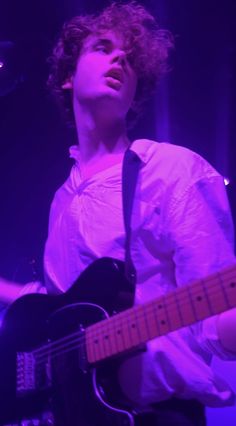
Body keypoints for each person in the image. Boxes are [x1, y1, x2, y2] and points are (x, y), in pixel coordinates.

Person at [0, 1, 236, 425]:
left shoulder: (172, 170)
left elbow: (216, 313)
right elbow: (63, 309)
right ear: (68, 77)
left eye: (130, 58)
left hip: (160, 415)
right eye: (103, 48)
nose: (119, 60)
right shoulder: (62, 198)